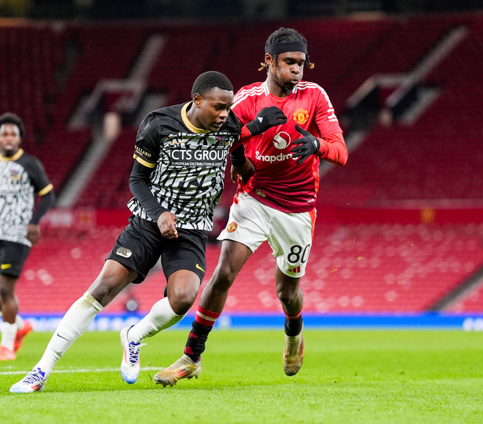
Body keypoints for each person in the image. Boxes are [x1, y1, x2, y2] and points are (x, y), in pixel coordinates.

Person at [10, 71, 285, 393]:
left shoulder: (229, 125)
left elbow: (236, 149)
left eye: (228, 107)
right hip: (148, 222)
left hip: (193, 229)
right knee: (102, 289)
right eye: (218, 107)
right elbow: (137, 180)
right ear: (197, 101)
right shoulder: (159, 124)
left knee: (183, 298)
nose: (225, 114)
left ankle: (134, 336)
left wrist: (246, 156)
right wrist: (159, 214)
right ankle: (40, 371)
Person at [154, 27, 348, 387]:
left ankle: (294, 333)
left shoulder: (314, 96)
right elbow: (215, 140)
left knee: (287, 292)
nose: (297, 69)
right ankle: (191, 357)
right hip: (254, 198)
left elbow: (341, 151)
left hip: (298, 208)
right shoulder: (247, 99)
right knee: (223, 273)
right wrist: (252, 130)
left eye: (301, 63)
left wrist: (317, 145)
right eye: (289, 61)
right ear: (269, 61)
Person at [0, 113, 54, 361]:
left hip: (17, 234)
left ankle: (6, 346)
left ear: (19, 138)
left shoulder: (29, 164)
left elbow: (48, 194)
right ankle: (20, 325)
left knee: (4, 289)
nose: (9, 138)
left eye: (13, 134)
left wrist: (34, 222)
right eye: (4, 134)